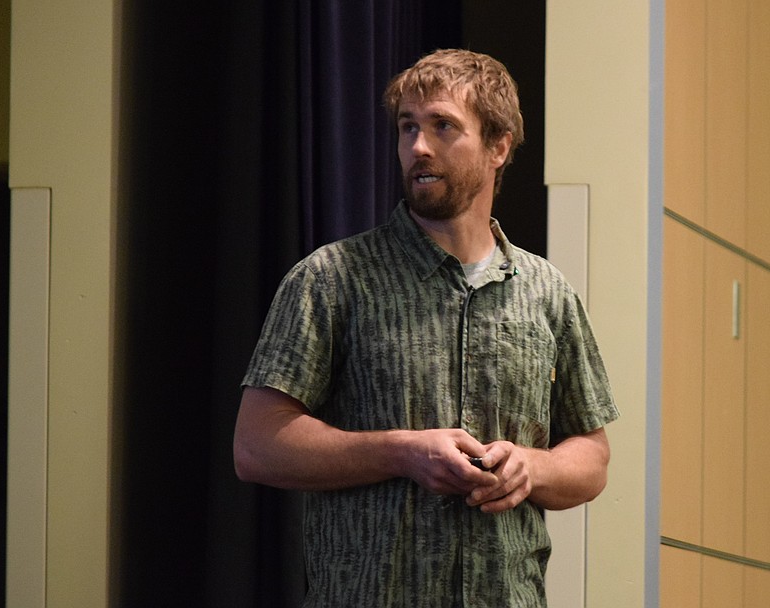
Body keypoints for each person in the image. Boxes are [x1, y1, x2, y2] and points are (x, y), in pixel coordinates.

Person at [233, 48, 619, 607]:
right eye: (407, 127)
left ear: (499, 146)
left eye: (442, 127)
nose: (418, 146)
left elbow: (592, 454)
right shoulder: (330, 278)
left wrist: (530, 468)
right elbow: (257, 445)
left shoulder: (547, 291)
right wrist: (402, 452)